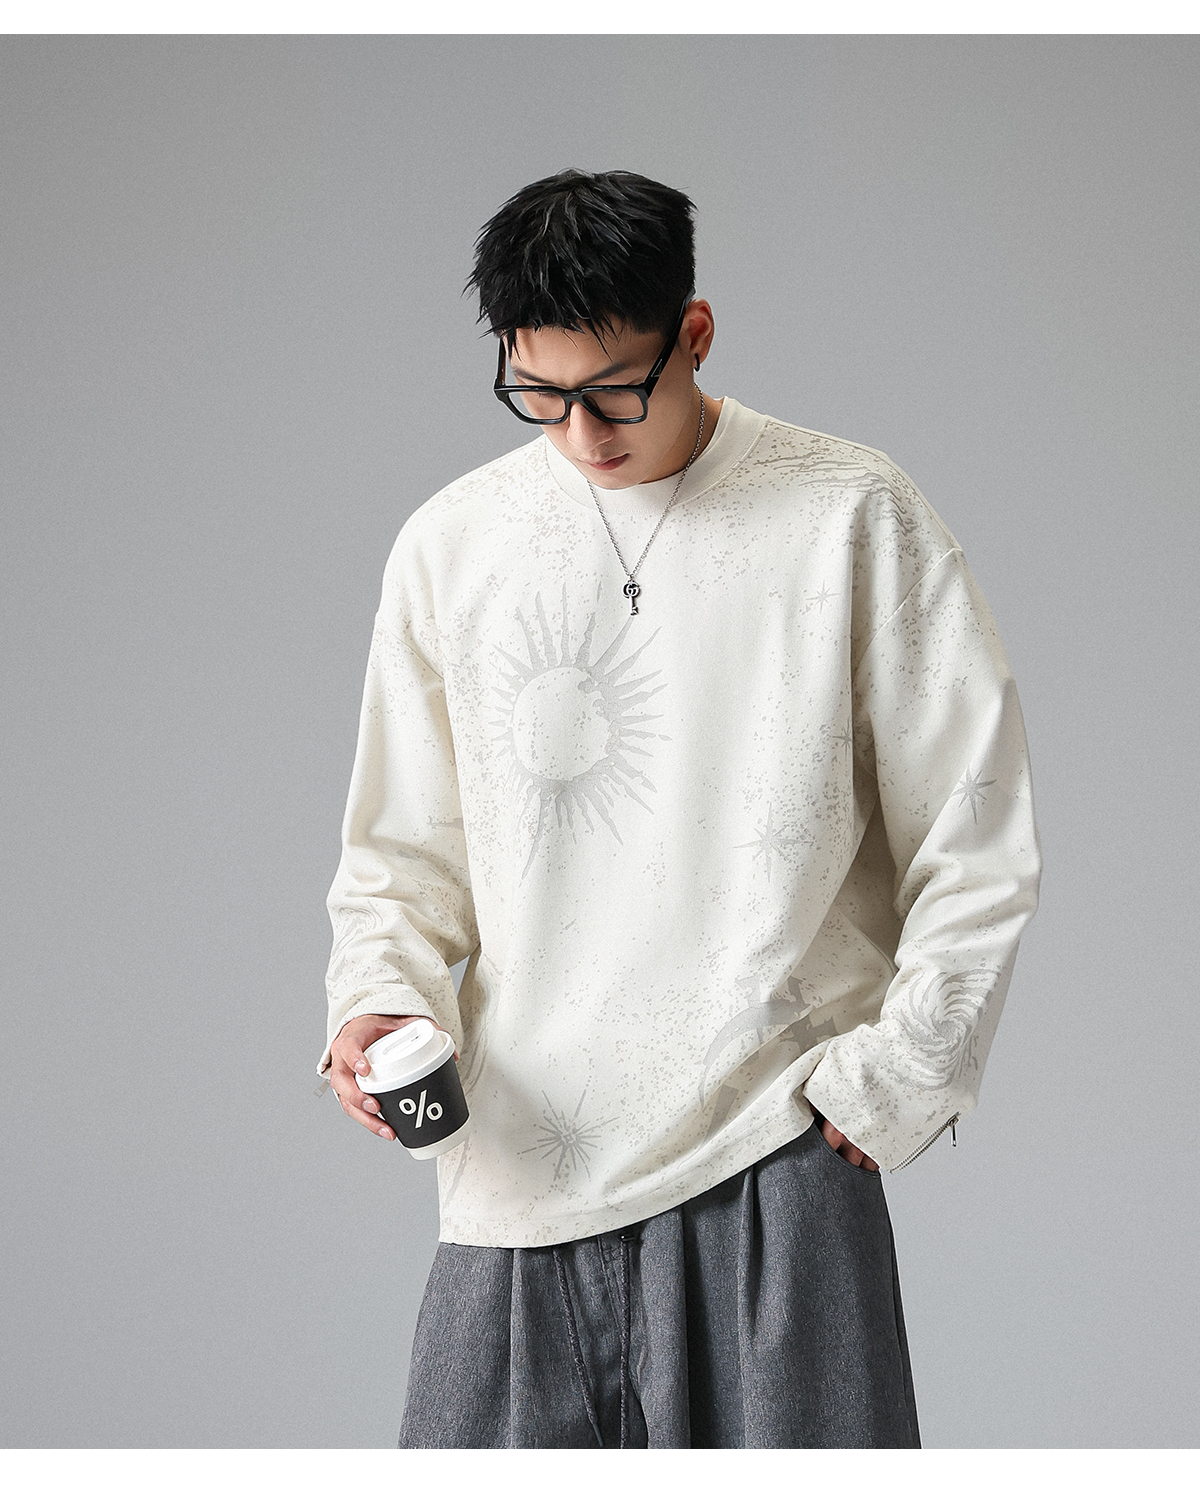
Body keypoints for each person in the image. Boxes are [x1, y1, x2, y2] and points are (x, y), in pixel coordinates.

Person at [317, 168, 1043, 1448]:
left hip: (774, 1156)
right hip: (521, 1172)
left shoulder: (848, 513)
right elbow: (403, 851)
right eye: (538, 394)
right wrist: (378, 996)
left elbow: (974, 826)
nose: (581, 434)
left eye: (615, 392)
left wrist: (898, 1080)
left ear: (694, 334)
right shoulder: (453, 544)